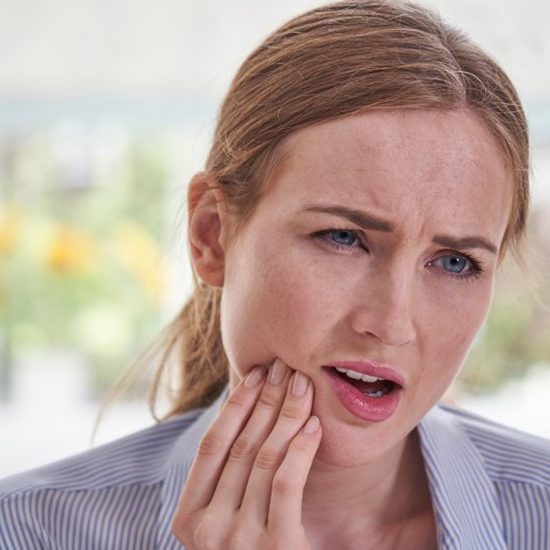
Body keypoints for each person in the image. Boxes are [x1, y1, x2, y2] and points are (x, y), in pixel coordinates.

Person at [1, 0, 549, 548]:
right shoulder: (29, 530)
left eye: (455, 262)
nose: (393, 323)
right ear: (212, 235)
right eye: (343, 238)